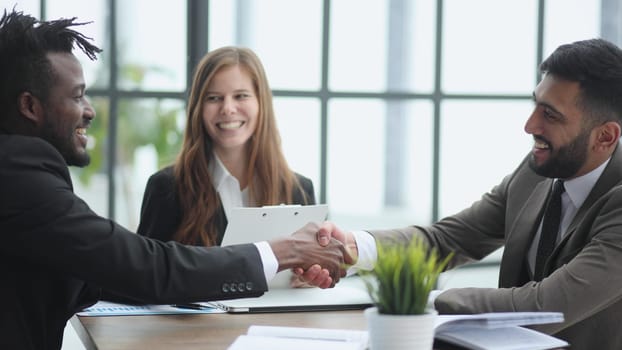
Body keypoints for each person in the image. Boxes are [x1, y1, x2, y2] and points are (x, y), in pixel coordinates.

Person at [0, 10, 348, 350]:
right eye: (77, 96)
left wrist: (293, 270)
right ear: (29, 106)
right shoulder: (20, 173)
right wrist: (278, 252)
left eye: (241, 96)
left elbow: (107, 273)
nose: (90, 110)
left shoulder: (18, 169)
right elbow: (143, 266)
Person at [310, 38, 622, 349]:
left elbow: (545, 307)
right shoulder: (536, 171)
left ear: (605, 136)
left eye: (551, 115)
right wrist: (353, 247)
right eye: (535, 105)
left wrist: (415, 301)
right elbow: (446, 240)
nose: (530, 126)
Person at [137, 46, 315, 247]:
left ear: (261, 102)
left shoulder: (298, 191)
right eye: (214, 98)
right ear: (198, 107)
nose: (228, 109)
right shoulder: (166, 189)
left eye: (241, 96)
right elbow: (147, 275)